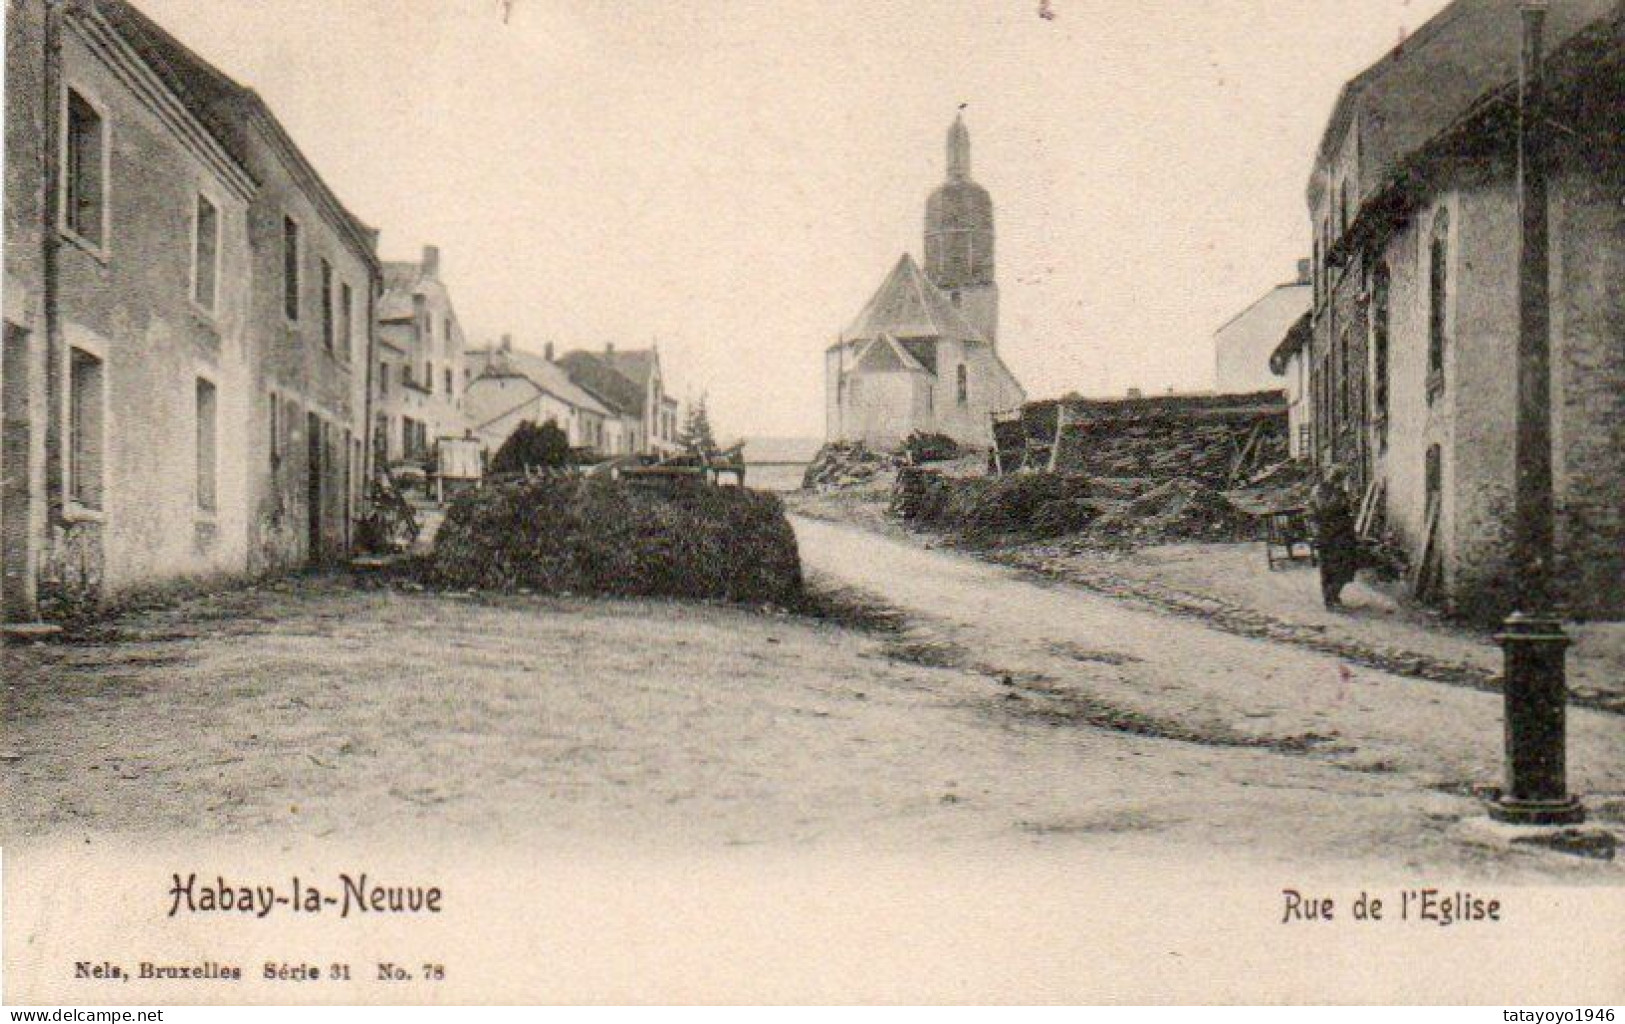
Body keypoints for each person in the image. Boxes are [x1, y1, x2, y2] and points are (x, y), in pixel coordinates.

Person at [1311, 465, 1358, 609]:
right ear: (1329, 476)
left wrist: (1350, 502)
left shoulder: (1339, 491)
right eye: (1336, 476)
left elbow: (1345, 509)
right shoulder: (1320, 490)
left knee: (1346, 566)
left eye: (1340, 477)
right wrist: (1340, 498)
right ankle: (1329, 598)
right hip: (1327, 534)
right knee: (1328, 568)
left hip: (1343, 534)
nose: (1338, 479)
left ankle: (1335, 594)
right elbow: (1324, 509)